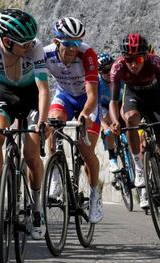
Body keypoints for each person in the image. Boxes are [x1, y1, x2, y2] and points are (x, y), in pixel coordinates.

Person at [0, 8, 50, 240]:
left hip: (32, 95)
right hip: (5, 93)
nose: (29, 47)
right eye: (23, 44)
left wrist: (42, 121)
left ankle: (36, 209)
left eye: (30, 43)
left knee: (32, 154)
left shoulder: (35, 47)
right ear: (7, 41)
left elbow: (44, 89)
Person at [109, 33, 160, 220]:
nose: (133, 64)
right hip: (133, 98)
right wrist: (113, 121)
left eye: (138, 59)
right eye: (129, 59)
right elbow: (113, 101)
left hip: (155, 100)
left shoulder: (155, 62)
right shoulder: (118, 66)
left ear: (145, 56)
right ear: (123, 58)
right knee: (130, 118)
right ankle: (138, 166)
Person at [44, 17, 103, 223]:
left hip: (87, 99)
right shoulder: (46, 54)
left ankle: (95, 196)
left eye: (77, 43)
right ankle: (56, 176)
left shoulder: (87, 54)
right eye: (68, 43)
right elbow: (38, 87)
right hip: (65, 96)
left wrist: (85, 114)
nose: (73, 48)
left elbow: (93, 95)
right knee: (52, 122)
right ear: (56, 41)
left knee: (85, 150)